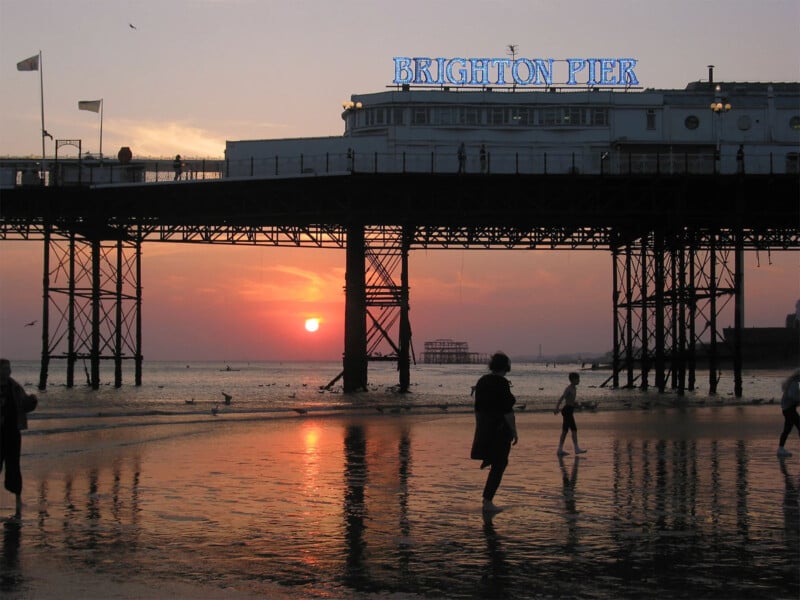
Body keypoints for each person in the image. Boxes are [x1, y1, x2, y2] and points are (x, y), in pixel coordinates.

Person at [470, 352, 518, 512]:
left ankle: (488, 459)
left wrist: (479, 427)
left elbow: (477, 408)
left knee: (496, 459)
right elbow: (507, 412)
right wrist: (514, 431)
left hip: (485, 426)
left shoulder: (482, 381)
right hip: (500, 428)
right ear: (506, 366)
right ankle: (487, 501)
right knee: (501, 463)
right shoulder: (502, 383)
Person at [0, 359, 37, 518]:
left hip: (13, 431)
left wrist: (32, 401)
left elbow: (24, 405)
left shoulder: (14, 387)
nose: (8, 371)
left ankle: (18, 499)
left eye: (9, 368)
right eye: (4, 369)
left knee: (14, 464)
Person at [553, 372, 586, 456]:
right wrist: (557, 408)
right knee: (573, 429)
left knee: (565, 431)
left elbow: (571, 401)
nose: (579, 380)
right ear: (573, 380)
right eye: (577, 379)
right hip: (567, 411)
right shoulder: (569, 388)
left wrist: (578, 405)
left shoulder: (574, 388)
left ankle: (560, 449)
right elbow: (562, 398)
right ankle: (576, 448)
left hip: (570, 410)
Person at [778, 369, 800, 457]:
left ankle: (781, 449)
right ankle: (780, 449)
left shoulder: (792, 383)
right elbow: (792, 396)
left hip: (788, 409)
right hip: (789, 409)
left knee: (787, 429)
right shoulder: (794, 384)